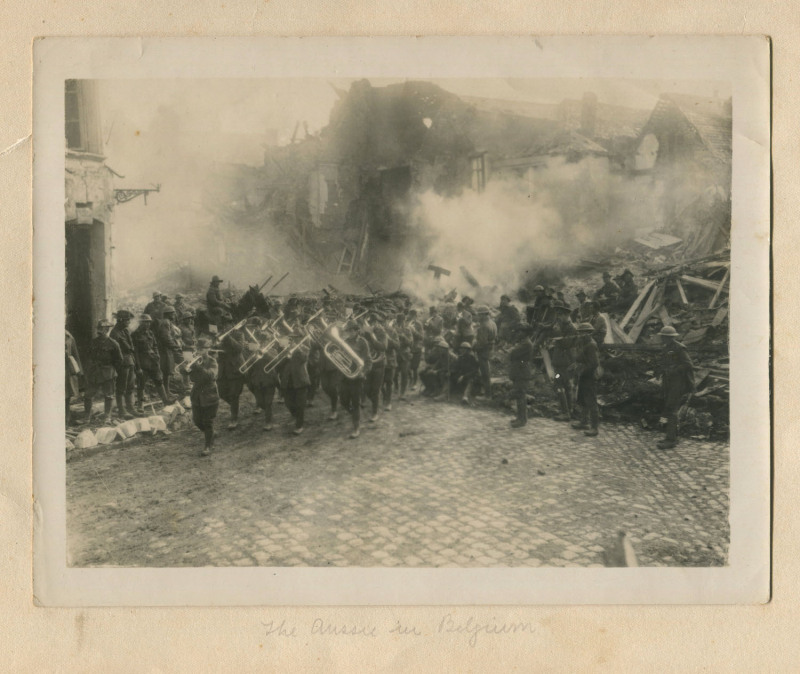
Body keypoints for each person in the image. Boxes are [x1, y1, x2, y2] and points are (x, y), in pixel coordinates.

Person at [656, 325, 695, 449]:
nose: (663, 339)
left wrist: (673, 370)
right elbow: (664, 363)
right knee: (669, 407)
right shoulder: (666, 348)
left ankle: (671, 440)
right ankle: (672, 436)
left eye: (665, 337)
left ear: (671, 337)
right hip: (669, 382)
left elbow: (688, 365)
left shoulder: (680, 348)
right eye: (662, 337)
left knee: (671, 409)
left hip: (678, 383)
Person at [180, 337, 219, 457]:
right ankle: (211, 434)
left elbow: (211, 376)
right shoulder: (195, 360)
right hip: (197, 394)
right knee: (197, 420)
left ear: (208, 349)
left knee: (207, 421)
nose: (200, 351)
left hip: (209, 394)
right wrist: (185, 366)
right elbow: (185, 372)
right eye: (198, 348)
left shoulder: (212, 361)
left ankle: (208, 445)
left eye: (203, 349)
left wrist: (197, 366)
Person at [83, 319, 123, 423]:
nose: (100, 331)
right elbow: (88, 356)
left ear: (107, 330)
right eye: (99, 329)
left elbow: (119, 360)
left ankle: (107, 417)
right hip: (95, 372)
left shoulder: (113, 344)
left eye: (103, 329)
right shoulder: (93, 342)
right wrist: (89, 370)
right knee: (88, 395)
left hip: (108, 372)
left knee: (108, 395)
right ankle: (87, 417)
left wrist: (112, 370)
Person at [132, 314, 175, 408]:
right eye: (145, 322)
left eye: (148, 322)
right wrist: (138, 367)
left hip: (153, 362)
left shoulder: (150, 333)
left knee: (159, 380)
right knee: (141, 384)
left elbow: (155, 345)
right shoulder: (135, 335)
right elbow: (135, 353)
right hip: (143, 363)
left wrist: (157, 355)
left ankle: (165, 400)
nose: (147, 324)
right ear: (140, 323)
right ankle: (140, 405)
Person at [339, 320, 371, 438]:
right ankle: (355, 415)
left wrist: (363, 373)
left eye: (351, 330)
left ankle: (356, 428)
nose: (349, 332)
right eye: (348, 330)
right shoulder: (345, 342)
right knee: (343, 401)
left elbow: (368, 361)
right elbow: (341, 358)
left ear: (357, 331)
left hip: (357, 377)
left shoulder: (363, 343)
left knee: (356, 403)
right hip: (346, 376)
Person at [549, 301, 577, 422]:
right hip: (560, 362)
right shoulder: (562, 325)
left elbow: (567, 343)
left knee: (559, 385)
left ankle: (566, 412)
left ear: (566, 315)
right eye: (557, 314)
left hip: (564, 363)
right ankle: (568, 410)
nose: (558, 317)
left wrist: (558, 335)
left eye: (560, 314)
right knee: (565, 385)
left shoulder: (571, 327)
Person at [570, 322, 600, 437]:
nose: (580, 335)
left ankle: (594, 427)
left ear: (589, 333)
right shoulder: (583, 344)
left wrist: (582, 370)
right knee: (582, 399)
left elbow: (594, 363)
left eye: (583, 333)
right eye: (580, 333)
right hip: (583, 376)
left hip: (589, 377)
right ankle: (584, 421)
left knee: (591, 402)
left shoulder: (591, 345)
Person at [217, 315, 246, 430]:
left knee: (234, 394)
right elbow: (217, 348)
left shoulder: (239, 334)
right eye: (224, 324)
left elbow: (239, 349)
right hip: (223, 368)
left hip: (235, 368)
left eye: (228, 324)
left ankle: (234, 418)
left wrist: (228, 337)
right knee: (222, 392)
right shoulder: (221, 335)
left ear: (232, 324)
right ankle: (235, 408)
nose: (225, 326)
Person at [110, 309, 139, 419]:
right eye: (127, 320)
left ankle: (131, 408)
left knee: (130, 386)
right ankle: (122, 411)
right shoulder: (115, 333)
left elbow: (131, 347)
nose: (129, 322)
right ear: (121, 320)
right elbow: (114, 351)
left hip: (129, 360)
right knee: (121, 387)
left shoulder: (125, 331)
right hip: (121, 362)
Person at [281, 332, 311, 435]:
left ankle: (299, 425)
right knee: (288, 403)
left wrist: (295, 349)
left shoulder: (304, 348)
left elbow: (304, 358)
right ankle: (297, 416)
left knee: (300, 405)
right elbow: (279, 364)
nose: (293, 341)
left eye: (295, 339)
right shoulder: (284, 350)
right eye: (291, 339)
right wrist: (285, 353)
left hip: (300, 380)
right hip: (288, 381)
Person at [508, 323, 535, 428]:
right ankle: (520, 417)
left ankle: (522, 419)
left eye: (521, 331)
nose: (518, 333)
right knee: (520, 395)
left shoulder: (527, 344)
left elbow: (512, 353)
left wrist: (512, 350)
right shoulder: (523, 342)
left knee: (521, 395)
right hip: (519, 372)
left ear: (525, 333)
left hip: (522, 372)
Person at [362, 319, 387, 422]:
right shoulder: (365, 335)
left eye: (375, 323)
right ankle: (376, 403)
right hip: (369, 365)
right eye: (371, 323)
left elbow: (382, 347)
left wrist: (372, 335)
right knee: (367, 389)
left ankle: (374, 412)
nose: (373, 325)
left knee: (375, 390)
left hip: (379, 365)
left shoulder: (382, 334)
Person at [156, 306, 183, 396]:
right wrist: (175, 346)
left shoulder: (168, 322)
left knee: (167, 372)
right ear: (168, 314)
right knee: (165, 371)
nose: (174, 315)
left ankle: (167, 391)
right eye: (172, 313)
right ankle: (165, 392)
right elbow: (166, 337)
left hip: (167, 349)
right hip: (164, 350)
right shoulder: (165, 323)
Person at [473, 305, 497, 398]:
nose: (478, 317)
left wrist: (474, 347)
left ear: (483, 315)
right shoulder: (492, 323)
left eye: (479, 315)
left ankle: (487, 395)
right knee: (486, 371)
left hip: (483, 351)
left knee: (485, 373)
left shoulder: (484, 325)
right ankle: (485, 392)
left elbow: (482, 343)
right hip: (490, 349)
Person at [65, 329, 83, 425]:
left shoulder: (69, 336)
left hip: (66, 369)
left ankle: (67, 418)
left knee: (67, 394)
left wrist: (79, 370)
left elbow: (75, 354)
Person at [382, 319, 399, 411]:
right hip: (380, 360)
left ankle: (388, 402)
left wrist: (388, 338)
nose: (385, 324)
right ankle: (385, 396)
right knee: (380, 383)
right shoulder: (377, 331)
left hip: (390, 361)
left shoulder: (393, 332)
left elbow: (397, 345)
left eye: (386, 321)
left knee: (389, 382)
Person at [394, 314, 412, 401]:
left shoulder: (408, 330)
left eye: (403, 321)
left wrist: (403, 336)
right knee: (394, 374)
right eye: (400, 321)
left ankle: (402, 393)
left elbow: (410, 343)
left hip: (405, 355)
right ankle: (396, 387)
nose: (401, 323)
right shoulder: (393, 329)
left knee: (404, 374)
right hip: (396, 355)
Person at [407, 309, 424, 391]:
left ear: (414, 316)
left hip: (416, 347)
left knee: (414, 367)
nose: (409, 317)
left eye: (411, 315)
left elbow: (421, 337)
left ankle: (414, 383)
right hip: (409, 347)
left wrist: (414, 331)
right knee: (407, 366)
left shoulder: (419, 324)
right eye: (409, 315)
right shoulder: (407, 323)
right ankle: (410, 380)